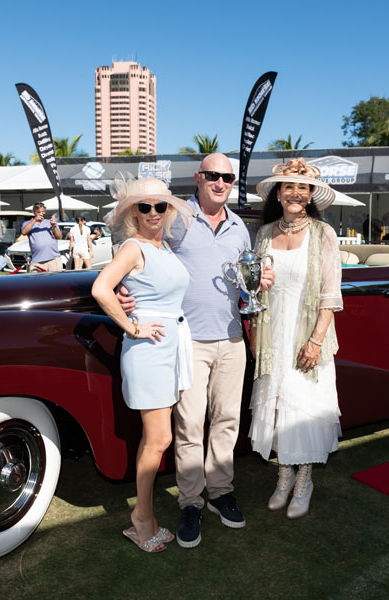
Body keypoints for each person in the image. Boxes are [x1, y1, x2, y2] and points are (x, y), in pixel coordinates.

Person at [116, 153, 273, 548]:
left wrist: (260, 280)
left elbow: (244, 278)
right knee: (188, 426)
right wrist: (124, 289)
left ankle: (220, 492)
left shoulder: (240, 227)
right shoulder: (177, 218)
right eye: (213, 176)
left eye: (228, 177)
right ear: (199, 178)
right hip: (186, 341)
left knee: (227, 421)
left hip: (232, 336)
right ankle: (190, 502)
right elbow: (139, 244)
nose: (221, 183)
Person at [91, 176, 195, 552]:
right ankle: (141, 519)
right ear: (133, 211)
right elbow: (101, 288)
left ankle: (144, 516)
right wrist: (131, 326)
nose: (153, 213)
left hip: (169, 344)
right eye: (144, 206)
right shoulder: (133, 247)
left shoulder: (164, 246)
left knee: (158, 438)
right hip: (149, 348)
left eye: (160, 206)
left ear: (169, 210)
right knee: (160, 439)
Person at [248, 159, 342, 519]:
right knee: (277, 408)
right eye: (288, 187)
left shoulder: (323, 234)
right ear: (278, 193)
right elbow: (255, 286)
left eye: (302, 188)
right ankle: (283, 477)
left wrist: (316, 341)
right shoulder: (265, 233)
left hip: (306, 335)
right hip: (274, 332)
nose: (295, 194)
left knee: (303, 405)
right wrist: (256, 330)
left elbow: (330, 295)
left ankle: (304, 480)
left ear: (311, 194)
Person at [21, 202, 63, 272]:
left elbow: (59, 237)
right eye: (38, 212)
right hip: (37, 261)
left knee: (57, 282)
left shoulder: (49, 222)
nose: (41, 214)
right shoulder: (28, 223)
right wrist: (35, 220)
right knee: (36, 283)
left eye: (43, 212)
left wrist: (54, 226)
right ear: (34, 212)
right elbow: (24, 232)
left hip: (53, 259)